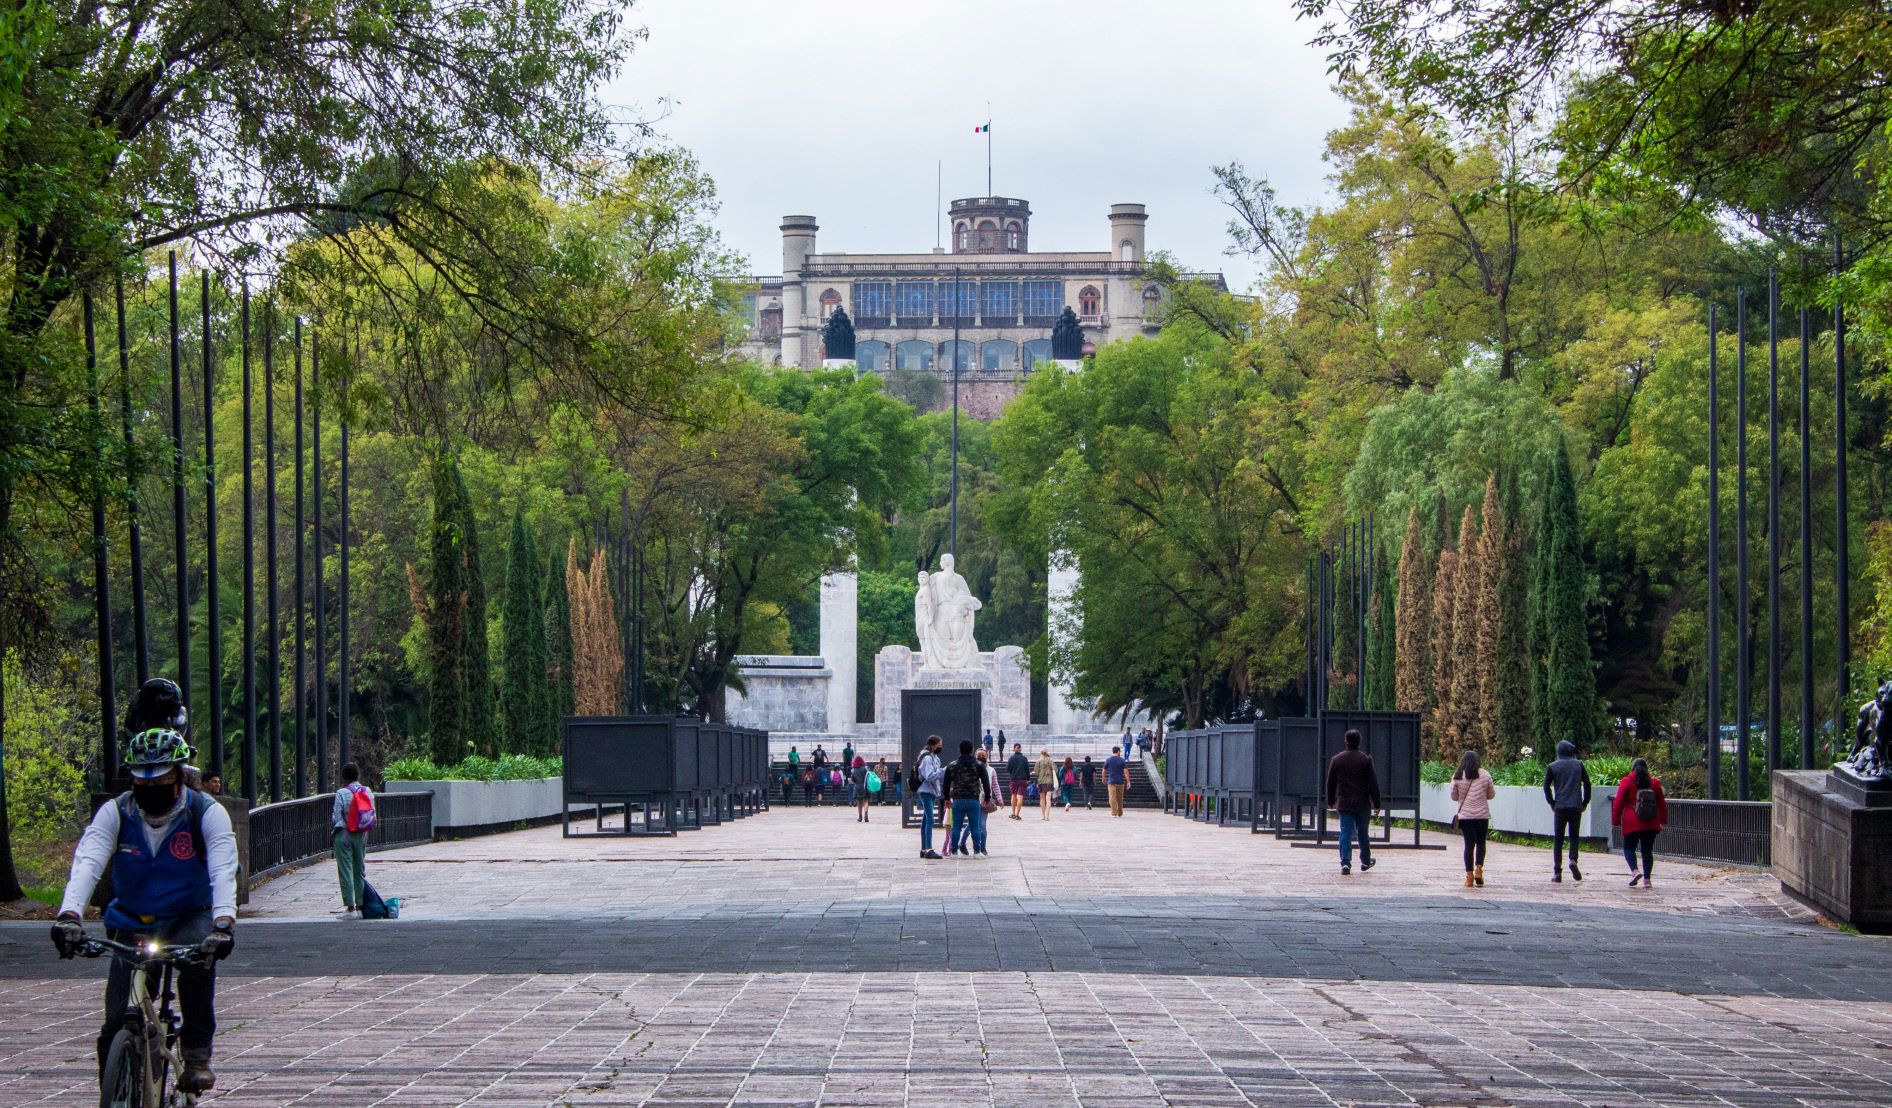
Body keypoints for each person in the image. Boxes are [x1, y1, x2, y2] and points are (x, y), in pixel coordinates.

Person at [52, 725, 237, 1093]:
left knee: (199, 963)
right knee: (116, 1021)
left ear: (179, 775)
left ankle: (198, 1055)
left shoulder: (205, 813)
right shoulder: (116, 813)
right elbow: (88, 861)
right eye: (142, 779)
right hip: (134, 918)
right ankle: (115, 1089)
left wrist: (224, 922)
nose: (151, 788)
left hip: (189, 913)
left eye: (161, 778)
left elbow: (222, 867)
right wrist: (69, 915)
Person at [1325, 729, 1381, 875]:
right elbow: (1373, 783)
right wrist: (1377, 803)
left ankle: (1345, 862)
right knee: (1363, 832)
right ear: (1359, 742)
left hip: (1344, 803)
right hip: (1362, 803)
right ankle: (1365, 860)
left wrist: (1331, 800)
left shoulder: (1337, 759)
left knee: (1346, 831)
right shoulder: (1366, 760)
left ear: (1346, 741)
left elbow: (1330, 782)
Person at [1612, 757, 1668, 887]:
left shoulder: (1626, 781)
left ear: (1632, 769)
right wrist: (1663, 820)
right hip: (1650, 822)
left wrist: (1616, 820)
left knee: (1628, 847)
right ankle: (1647, 880)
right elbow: (1661, 804)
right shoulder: (1655, 783)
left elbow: (1618, 803)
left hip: (1632, 821)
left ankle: (1635, 871)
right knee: (1647, 851)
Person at [1542, 740, 1592, 882]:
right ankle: (1573, 859)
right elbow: (1587, 784)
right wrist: (1584, 802)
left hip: (1560, 806)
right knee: (1574, 836)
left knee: (1558, 838)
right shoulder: (1578, 765)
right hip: (1576, 806)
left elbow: (1546, 787)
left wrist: (1552, 803)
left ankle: (1557, 872)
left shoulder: (1552, 766)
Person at [1450, 749, 1496, 887]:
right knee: (1481, 843)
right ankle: (1479, 870)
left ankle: (1469, 877)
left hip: (1466, 816)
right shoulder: (1485, 775)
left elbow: (1453, 796)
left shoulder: (1458, 775)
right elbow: (1491, 794)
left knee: (1469, 846)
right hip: (1482, 816)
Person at [332, 762, 374, 915]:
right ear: (358, 775)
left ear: (343, 776)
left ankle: (350, 908)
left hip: (344, 835)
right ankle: (361, 907)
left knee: (345, 870)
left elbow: (336, 816)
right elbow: (371, 812)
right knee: (359, 870)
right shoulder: (367, 791)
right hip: (361, 835)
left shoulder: (341, 793)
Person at [944, 739, 995, 856]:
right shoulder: (979, 765)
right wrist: (987, 798)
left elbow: (946, 784)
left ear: (959, 750)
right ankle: (977, 852)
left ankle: (954, 851)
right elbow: (986, 783)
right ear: (972, 750)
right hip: (973, 799)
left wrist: (947, 798)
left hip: (958, 800)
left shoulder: (952, 765)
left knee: (956, 827)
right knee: (975, 827)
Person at [916, 735, 945, 859]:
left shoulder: (934, 757)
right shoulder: (927, 758)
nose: (941, 746)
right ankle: (928, 849)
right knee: (930, 820)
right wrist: (943, 771)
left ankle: (924, 849)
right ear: (933, 745)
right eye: (939, 744)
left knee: (925, 820)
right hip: (926, 790)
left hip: (931, 791)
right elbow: (929, 776)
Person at [1006, 743, 1031, 821]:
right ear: (1021, 749)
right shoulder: (1024, 758)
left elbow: (1007, 769)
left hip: (1013, 779)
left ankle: (1013, 813)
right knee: (1020, 796)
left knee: (1013, 795)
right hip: (1022, 780)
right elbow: (1027, 770)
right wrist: (1028, 779)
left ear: (1014, 749)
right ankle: (1017, 814)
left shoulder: (1011, 758)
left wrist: (1013, 772)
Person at [1104, 746, 1129, 817]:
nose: (1120, 753)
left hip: (1111, 781)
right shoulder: (1122, 760)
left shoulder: (1108, 760)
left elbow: (1104, 770)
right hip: (1120, 781)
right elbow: (1126, 771)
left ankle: (1114, 813)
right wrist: (1128, 781)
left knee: (1112, 797)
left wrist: (1103, 778)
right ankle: (1120, 813)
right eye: (1119, 751)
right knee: (1120, 798)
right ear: (1117, 751)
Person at [1035, 749, 1057, 821]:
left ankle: (1043, 816)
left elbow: (1036, 773)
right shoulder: (1051, 761)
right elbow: (1056, 771)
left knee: (1042, 799)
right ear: (1047, 753)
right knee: (1048, 799)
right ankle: (1047, 816)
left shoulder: (1038, 761)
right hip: (1049, 782)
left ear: (1041, 753)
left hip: (1041, 782)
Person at [850, 756, 871, 822]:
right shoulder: (866, 768)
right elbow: (868, 777)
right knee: (866, 801)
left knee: (859, 802)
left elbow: (853, 779)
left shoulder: (853, 770)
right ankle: (866, 814)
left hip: (857, 786)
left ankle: (860, 817)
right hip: (865, 786)